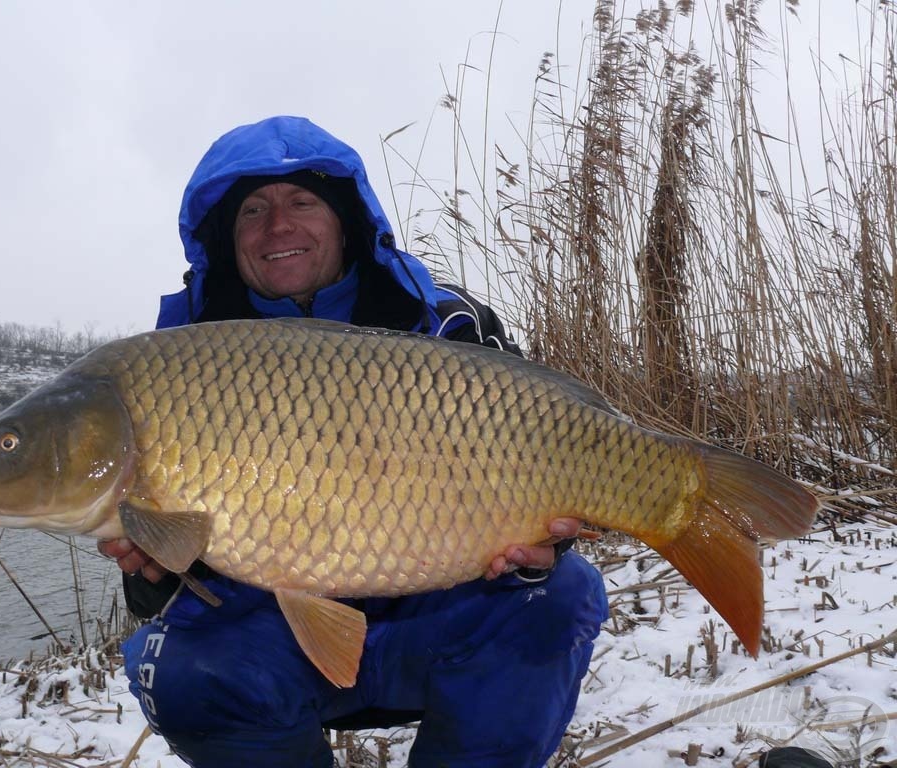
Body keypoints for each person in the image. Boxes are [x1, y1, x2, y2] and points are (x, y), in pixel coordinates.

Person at [98, 115, 609, 768]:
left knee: (557, 596)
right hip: (268, 647)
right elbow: (160, 596)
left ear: (346, 220)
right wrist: (149, 571)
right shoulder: (184, 365)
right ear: (227, 238)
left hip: (439, 622)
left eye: (302, 202)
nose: (278, 226)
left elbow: (547, 470)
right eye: (253, 210)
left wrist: (544, 542)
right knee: (178, 669)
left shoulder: (448, 326)